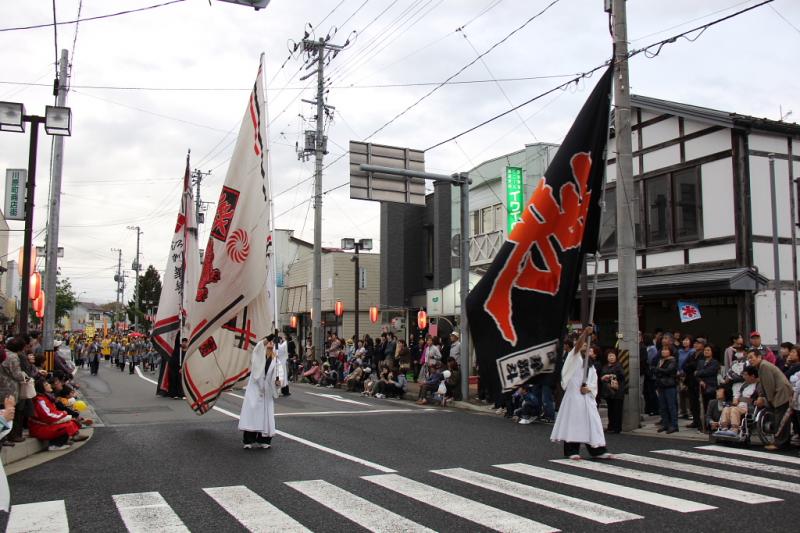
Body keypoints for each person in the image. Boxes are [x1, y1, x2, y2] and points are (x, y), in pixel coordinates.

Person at [550, 326, 611, 459]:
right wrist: (584, 334)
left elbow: (593, 381)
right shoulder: (574, 356)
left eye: (587, 345)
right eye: (584, 344)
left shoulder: (590, 364)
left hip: (586, 397)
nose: (585, 346)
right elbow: (577, 347)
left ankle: (598, 450)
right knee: (574, 423)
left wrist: (588, 388)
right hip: (574, 397)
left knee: (592, 423)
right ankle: (572, 451)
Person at [238, 335, 279, 450]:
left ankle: (264, 440)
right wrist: (269, 337)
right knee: (252, 414)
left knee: (266, 416)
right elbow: (258, 348)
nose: (270, 344)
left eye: (272, 342)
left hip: (267, 390)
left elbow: (278, 374)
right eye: (269, 342)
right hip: (255, 389)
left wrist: (278, 382)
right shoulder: (258, 355)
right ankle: (248, 440)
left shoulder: (276, 360)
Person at [747, 349, 793, 450]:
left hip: (781, 394)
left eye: (752, 357)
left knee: (780, 419)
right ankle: (782, 442)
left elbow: (769, 385)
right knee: (781, 419)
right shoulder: (761, 366)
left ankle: (779, 443)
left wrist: (769, 400)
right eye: (748, 358)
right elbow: (764, 385)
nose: (750, 360)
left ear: (759, 357)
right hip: (780, 393)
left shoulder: (764, 366)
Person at [654, 343, 679, 434]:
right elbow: (656, 372)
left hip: (669, 385)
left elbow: (669, 371)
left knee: (671, 406)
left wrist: (658, 370)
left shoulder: (672, 360)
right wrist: (659, 371)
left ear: (670, 352)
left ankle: (674, 425)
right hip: (661, 385)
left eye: (666, 350)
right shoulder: (660, 360)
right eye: (663, 350)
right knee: (663, 406)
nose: (664, 351)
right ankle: (665, 424)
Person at [600, 349, 625, 434]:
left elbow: (622, 375)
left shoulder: (619, 365)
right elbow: (601, 376)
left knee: (617, 410)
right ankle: (610, 426)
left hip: (617, 391)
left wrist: (611, 375)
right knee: (610, 410)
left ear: (616, 357)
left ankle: (617, 428)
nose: (611, 357)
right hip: (608, 392)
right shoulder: (605, 366)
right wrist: (603, 377)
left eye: (613, 356)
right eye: (609, 356)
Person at [276, 332, 290, 397]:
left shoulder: (275, 346)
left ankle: (282, 391)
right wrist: (285, 340)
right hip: (282, 363)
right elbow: (284, 346)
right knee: (283, 378)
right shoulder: (280, 346)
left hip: (277, 363)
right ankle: (284, 391)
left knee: (278, 377)